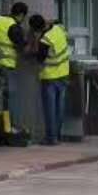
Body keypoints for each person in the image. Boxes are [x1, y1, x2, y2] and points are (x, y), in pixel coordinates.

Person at [0, 2, 29, 140]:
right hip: (7, 66)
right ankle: (7, 128)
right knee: (9, 98)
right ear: (21, 15)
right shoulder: (14, 27)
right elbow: (21, 46)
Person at [30, 13, 72, 145]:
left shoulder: (45, 40)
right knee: (60, 107)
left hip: (50, 77)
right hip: (64, 73)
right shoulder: (59, 29)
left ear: (36, 30)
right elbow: (57, 23)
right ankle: (57, 135)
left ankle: (51, 138)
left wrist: (35, 41)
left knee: (50, 109)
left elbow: (39, 58)